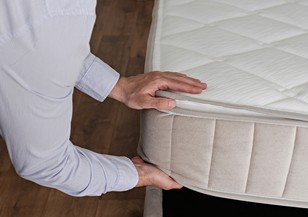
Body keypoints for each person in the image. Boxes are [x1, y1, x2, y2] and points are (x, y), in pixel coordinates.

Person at [0, 1, 207, 196]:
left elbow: (38, 43)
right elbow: (46, 165)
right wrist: (138, 174)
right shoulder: (55, 21)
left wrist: (120, 87)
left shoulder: (52, 22)